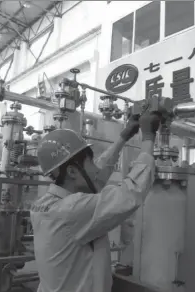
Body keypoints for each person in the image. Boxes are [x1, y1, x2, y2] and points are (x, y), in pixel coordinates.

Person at [31, 111, 161, 292]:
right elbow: (130, 194)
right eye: (90, 161)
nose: (96, 167)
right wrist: (148, 139)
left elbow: (95, 178)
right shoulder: (71, 210)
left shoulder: (45, 203)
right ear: (71, 172)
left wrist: (123, 137)